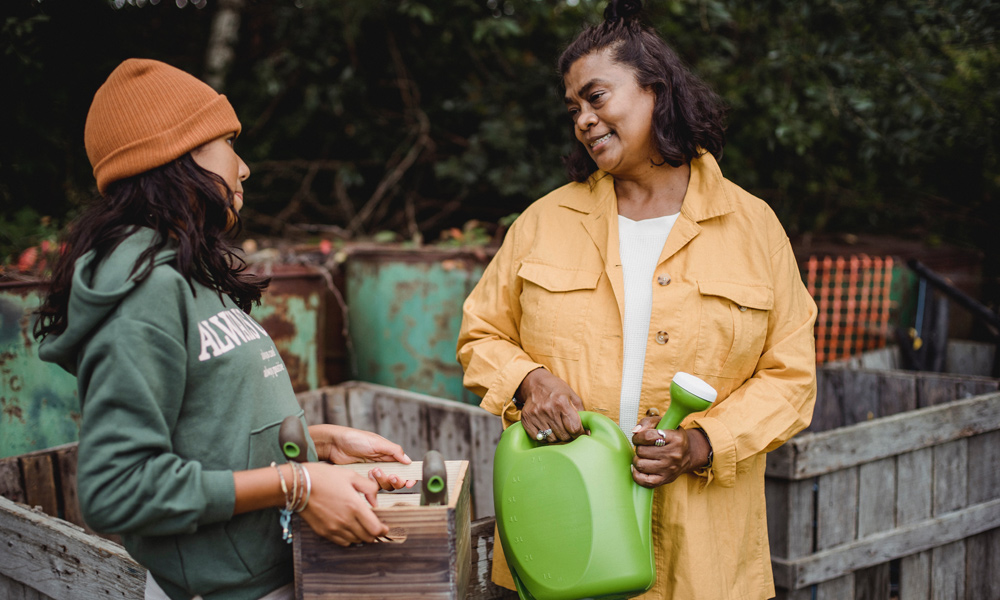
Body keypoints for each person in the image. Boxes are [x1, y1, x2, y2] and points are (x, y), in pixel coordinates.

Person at [456, 2, 818, 598]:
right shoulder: (545, 221)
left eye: (596, 97)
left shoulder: (754, 228)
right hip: (564, 539)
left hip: (703, 561)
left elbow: (791, 379)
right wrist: (530, 380)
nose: (583, 119)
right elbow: (482, 334)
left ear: (656, 90)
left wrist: (703, 444)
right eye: (573, 107)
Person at [34, 58, 414, 600]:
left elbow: (209, 430)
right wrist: (298, 484)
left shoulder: (187, 273)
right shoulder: (143, 291)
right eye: (229, 142)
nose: (244, 168)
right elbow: (116, 489)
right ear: (178, 153)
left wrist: (318, 444)